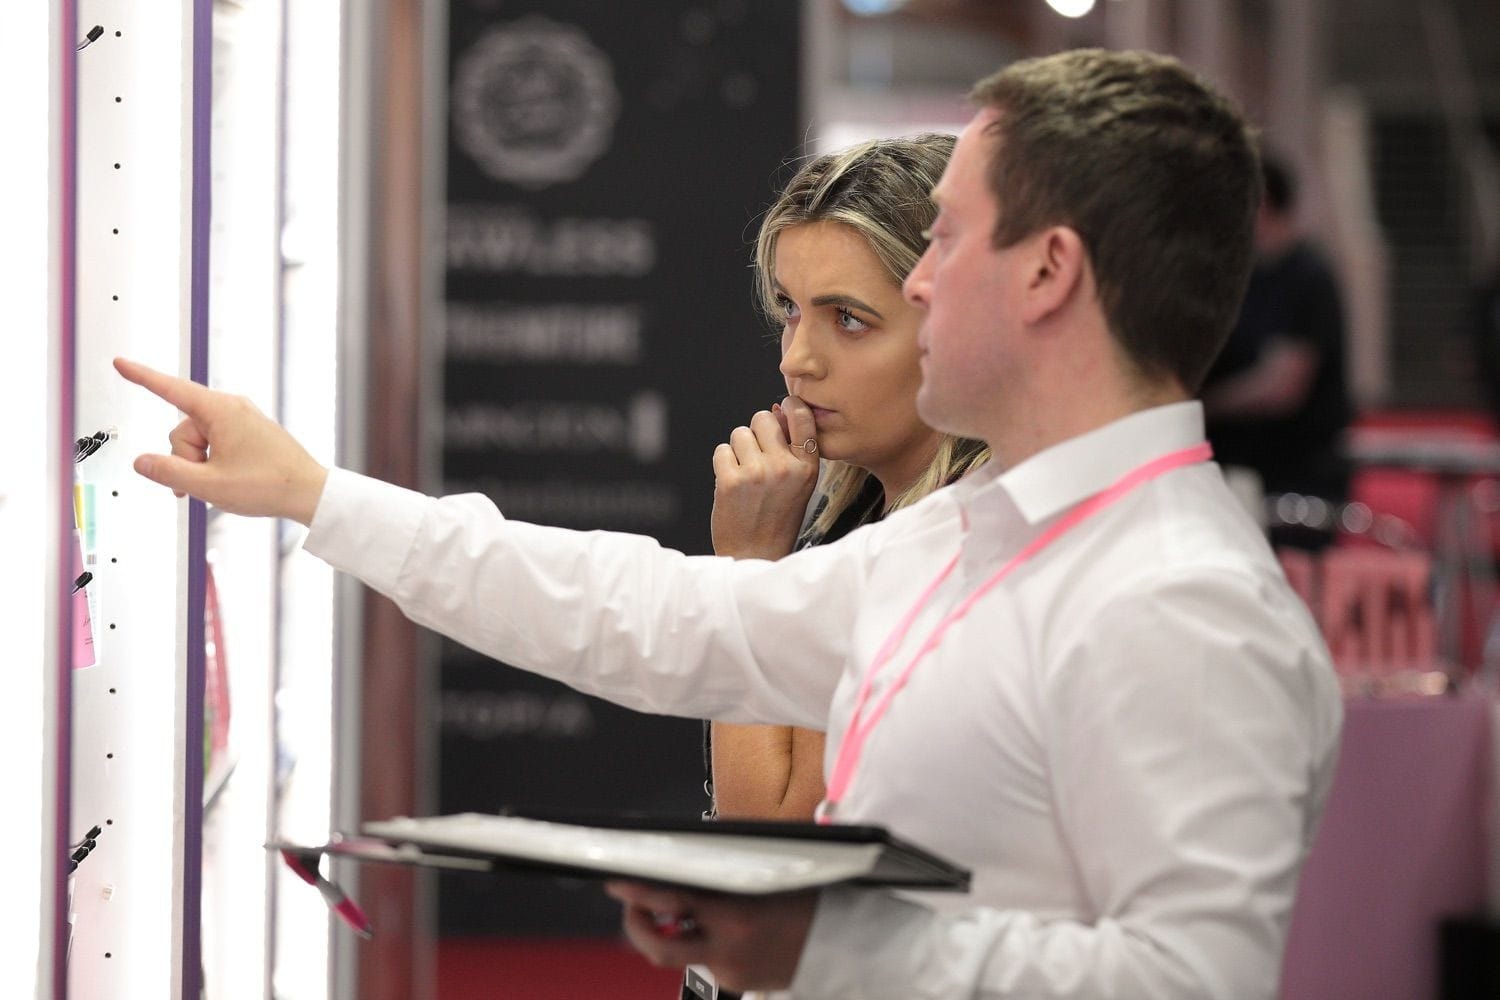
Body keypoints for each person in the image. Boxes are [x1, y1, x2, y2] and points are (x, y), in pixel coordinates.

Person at [118, 48, 1342, 1000]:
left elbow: (1194, 980)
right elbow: (667, 618)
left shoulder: (1182, 602)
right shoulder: (991, 532)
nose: (921, 278)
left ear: (1048, 273)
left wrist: (823, 936)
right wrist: (320, 497)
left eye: (951, 237)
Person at [706, 134, 987, 823]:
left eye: (849, 320)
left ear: (954, 325)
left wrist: (748, 566)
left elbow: (767, 834)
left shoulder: (951, 547)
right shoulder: (861, 517)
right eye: (790, 311)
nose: (797, 361)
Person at [1201, 153, 1354, 537]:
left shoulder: (1308, 277)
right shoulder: (1248, 277)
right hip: (1243, 466)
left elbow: (1283, 387)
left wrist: (1204, 406)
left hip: (1297, 474)